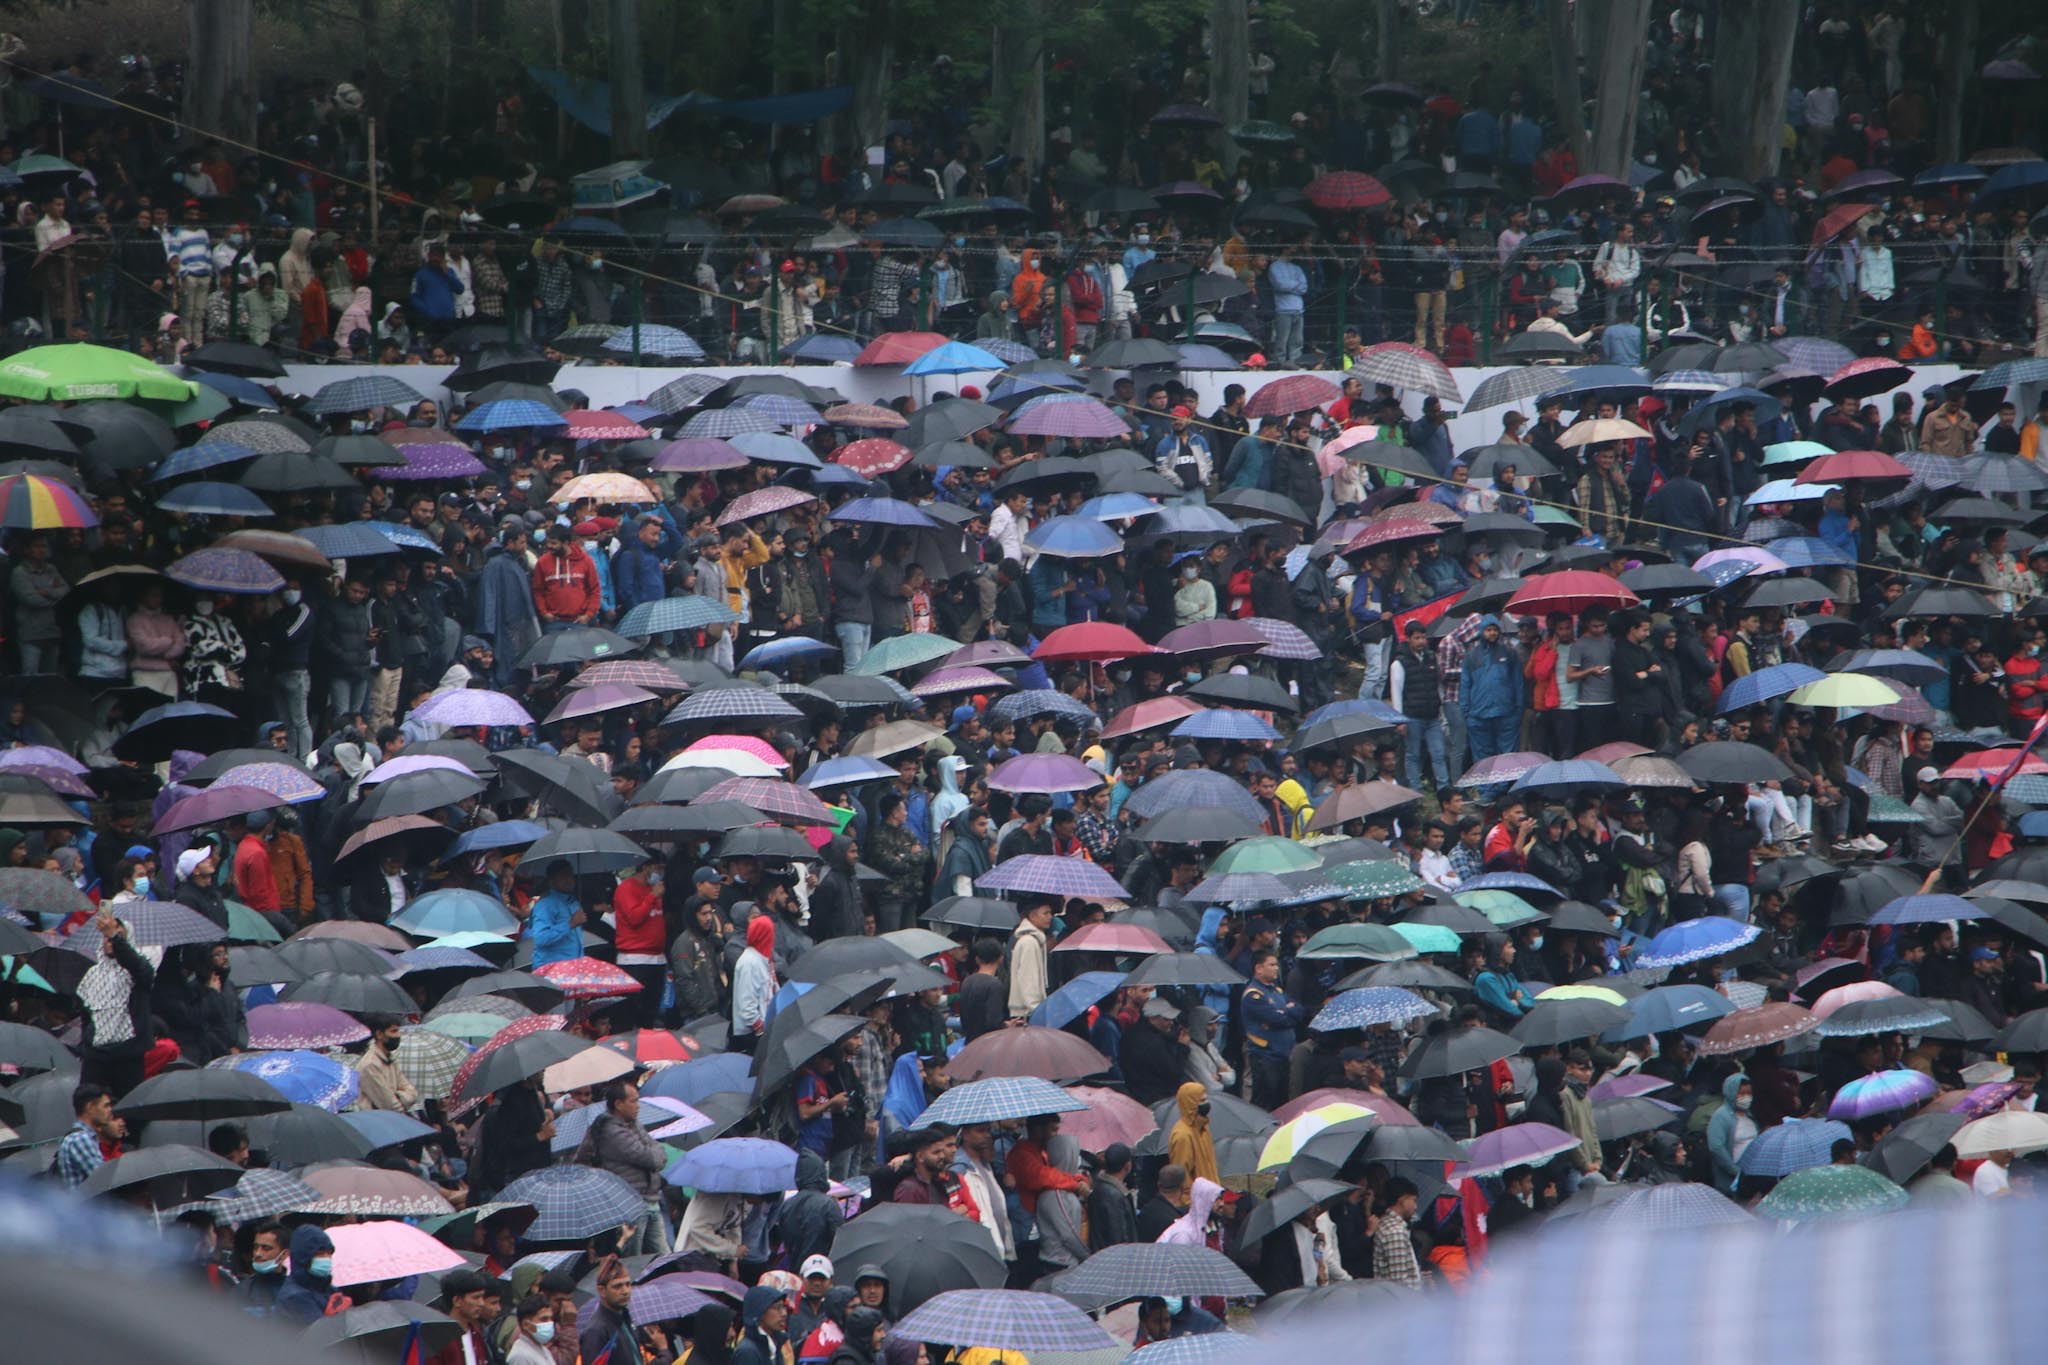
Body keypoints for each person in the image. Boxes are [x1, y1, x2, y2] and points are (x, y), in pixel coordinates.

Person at [576, 1080, 672, 1254]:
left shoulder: (634, 1124)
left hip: (650, 1199)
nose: (638, 1106)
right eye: (633, 1101)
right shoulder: (611, 1131)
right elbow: (650, 1158)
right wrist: (655, 1152)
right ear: (618, 1104)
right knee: (632, 1257)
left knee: (662, 1257)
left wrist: (656, 1152)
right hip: (630, 1203)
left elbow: (658, 1151)